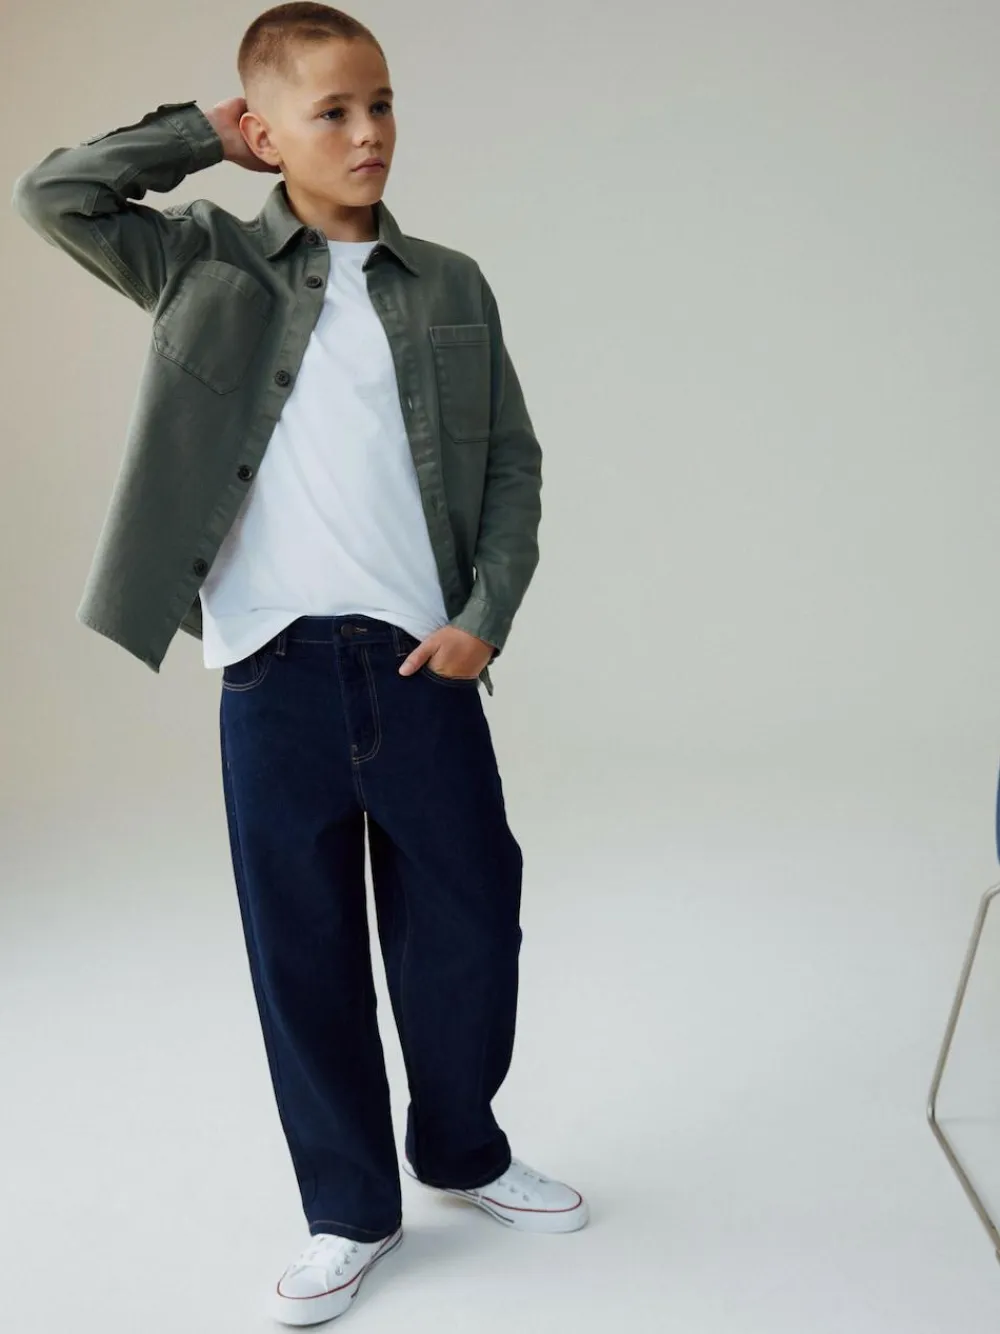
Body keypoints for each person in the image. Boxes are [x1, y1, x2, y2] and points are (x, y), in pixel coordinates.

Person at [12, 1, 588, 1324]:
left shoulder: (452, 283)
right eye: (331, 111)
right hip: (271, 672)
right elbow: (53, 196)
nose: (369, 131)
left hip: (422, 665)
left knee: (470, 923)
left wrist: (487, 613)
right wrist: (199, 136)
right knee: (304, 950)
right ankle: (348, 1208)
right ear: (267, 132)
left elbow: (510, 463)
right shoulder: (201, 261)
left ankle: (464, 1148)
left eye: (381, 103)